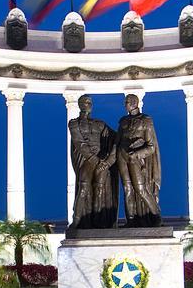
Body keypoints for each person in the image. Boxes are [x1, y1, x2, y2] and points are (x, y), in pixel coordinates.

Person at [68, 95, 119, 230]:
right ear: (79, 104)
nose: (88, 104)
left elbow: (116, 137)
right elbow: (79, 143)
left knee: (100, 189)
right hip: (87, 160)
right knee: (83, 188)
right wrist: (94, 159)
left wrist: (109, 159)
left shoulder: (100, 123)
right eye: (85, 102)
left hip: (101, 160)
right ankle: (77, 221)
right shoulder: (74, 123)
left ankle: (99, 221)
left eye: (90, 102)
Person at [116, 94, 162, 227]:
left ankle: (156, 215)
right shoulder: (123, 121)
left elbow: (151, 146)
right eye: (125, 101)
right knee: (127, 189)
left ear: (135, 103)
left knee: (140, 189)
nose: (125, 104)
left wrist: (136, 154)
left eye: (127, 101)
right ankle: (131, 219)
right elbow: (117, 142)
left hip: (135, 158)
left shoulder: (146, 120)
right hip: (122, 156)